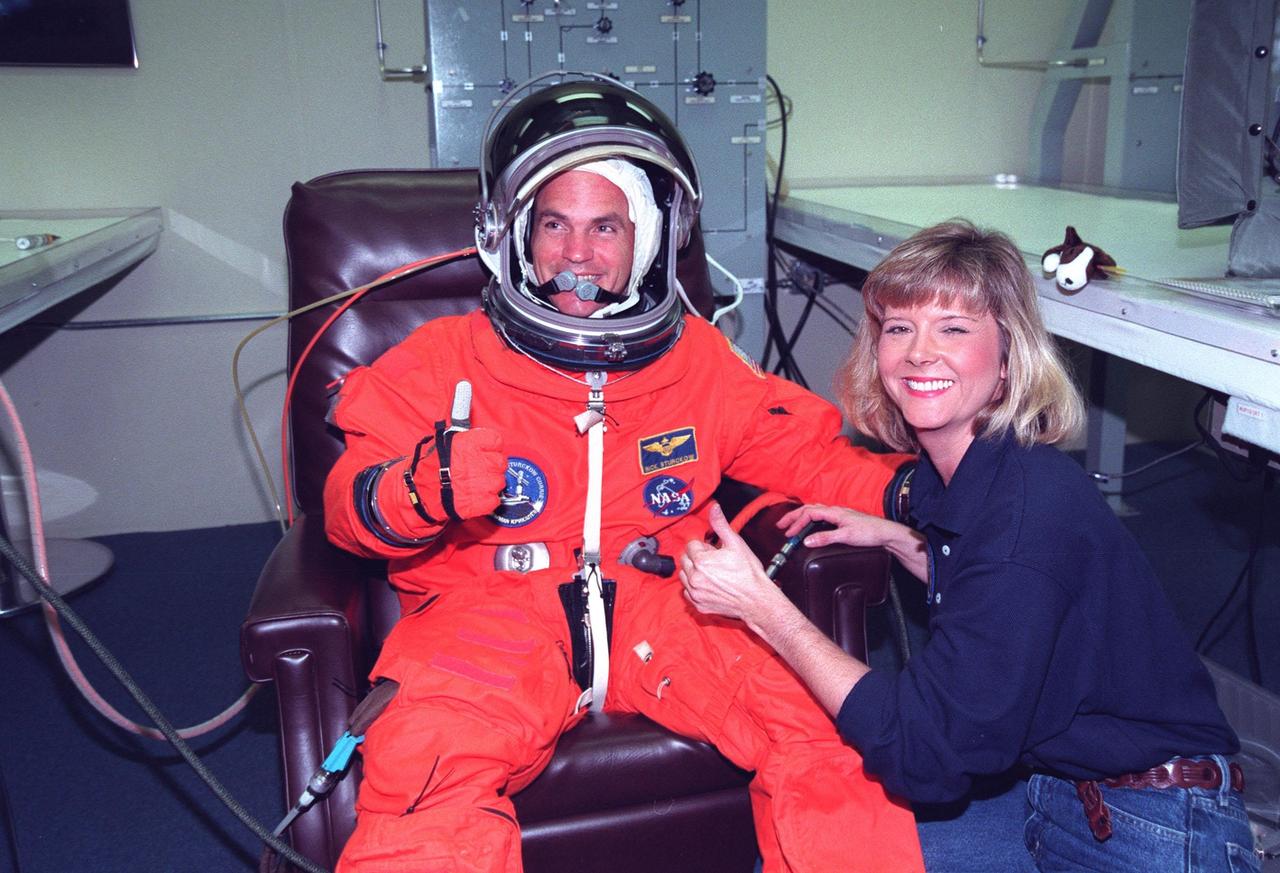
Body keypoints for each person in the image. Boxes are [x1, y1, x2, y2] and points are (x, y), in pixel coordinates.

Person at [322, 75, 924, 872]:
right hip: (489, 616)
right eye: (554, 225)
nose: (577, 254)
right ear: (513, 236)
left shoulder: (696, 359)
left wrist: (921, 492)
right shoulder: (444, 362)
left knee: (826, 733)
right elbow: (345, 504)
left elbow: (807, 455)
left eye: (605, 226)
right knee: (428, 783)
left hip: (675, 606)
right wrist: (425, 484)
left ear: (645, 239)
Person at [681, 220, 1258, 872]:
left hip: (1153, 824)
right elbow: (990, 582)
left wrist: (763, 607)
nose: (920, 352)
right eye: (898, 327)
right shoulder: (965, 476)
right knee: (815, 848)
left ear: (1009, 357)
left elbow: (925, 751)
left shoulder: (1025, 514)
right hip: (1050, 789)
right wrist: (904, 539)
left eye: (954, 328)